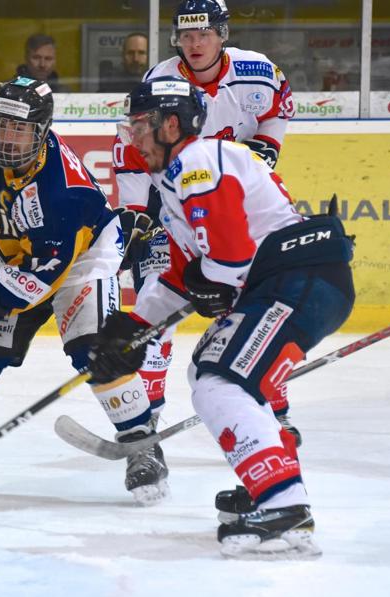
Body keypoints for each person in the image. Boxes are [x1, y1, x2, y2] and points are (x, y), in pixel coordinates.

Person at [90, 76, 353, 558]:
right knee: (210, 373)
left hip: (297, 281)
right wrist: (132, 328)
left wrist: (200, 281)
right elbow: (179, 273)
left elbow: (227, 263)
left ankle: (285, 504)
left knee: (220, 382)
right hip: (291, 283)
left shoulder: (196, 163)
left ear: (172, 125)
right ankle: (270, 485)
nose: (134, 139)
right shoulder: (175, 182)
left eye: (141, 127)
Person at [0, 76, 165, 505]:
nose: (8, 140)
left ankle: (142, 444)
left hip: (83, 261)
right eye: (2, 128)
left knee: (96, 351)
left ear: (42, 130)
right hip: (20, 253)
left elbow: (43, 273)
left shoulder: (62, 190)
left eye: (21, 131)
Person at [111, 0, 297, 465]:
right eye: (186, 36)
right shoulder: (157, 83)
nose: (194, 44)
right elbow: (130, 150)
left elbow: (281, 106)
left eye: (203, 35)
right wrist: (137, 216)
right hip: (168, 203)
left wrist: (267, 146)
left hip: (227, 203)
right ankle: (146, 421)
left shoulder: (256, 72)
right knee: (156, 300)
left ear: (222, 34)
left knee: (252, 302)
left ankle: (273, 406)